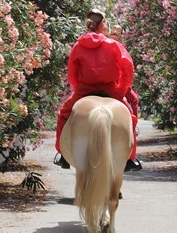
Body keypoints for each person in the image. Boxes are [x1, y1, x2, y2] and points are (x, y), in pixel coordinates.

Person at [54, 9, 142, 172]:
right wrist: (121, 90)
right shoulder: (113, 44)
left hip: (85, 90)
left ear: (89, 25)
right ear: (103, 26)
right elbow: (127, 68)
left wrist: (77, 88)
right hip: (111, 89)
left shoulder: (78, 46)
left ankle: (62, 154)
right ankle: (130, 158)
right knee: (130, 118)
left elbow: (72, 73)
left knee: (63, 115)